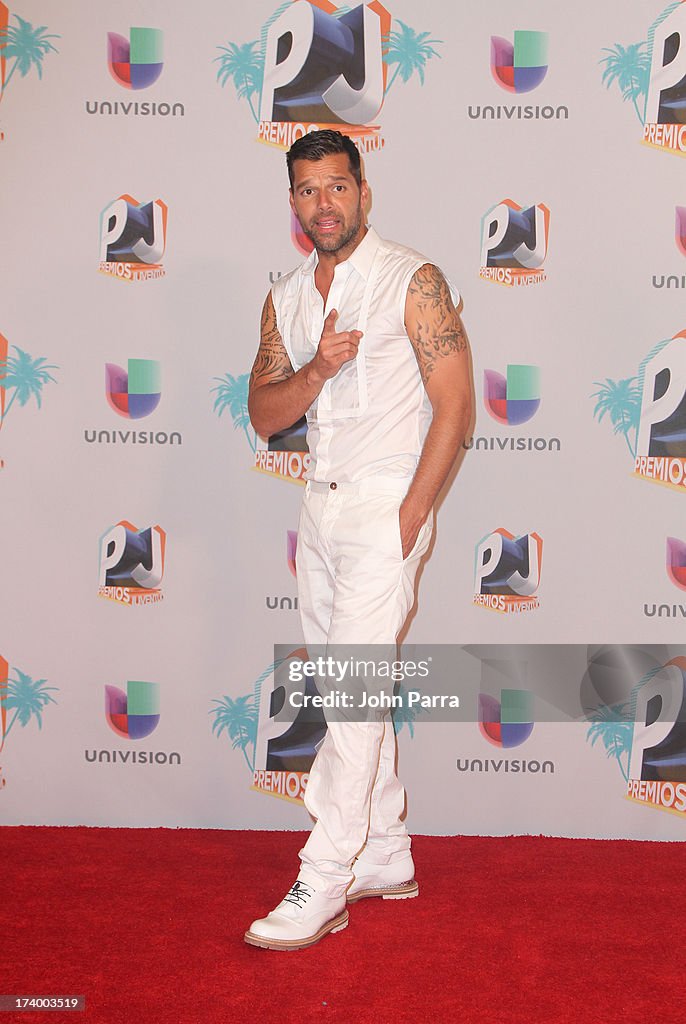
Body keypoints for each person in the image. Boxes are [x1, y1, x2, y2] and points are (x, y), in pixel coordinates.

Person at [244, 129, 471, 951]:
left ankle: (326, 872)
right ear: (294, 202)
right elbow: (265, 413)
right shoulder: (286, 297)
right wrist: (315, 371)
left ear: (363, 192)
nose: (323, 204)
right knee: (348, 691)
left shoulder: (413, 279)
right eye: (307, 190)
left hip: (384, 508)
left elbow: (455, 403)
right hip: (320, 508)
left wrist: (413, 511)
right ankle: (383, 852)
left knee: (352, 694)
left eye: (337, 187)